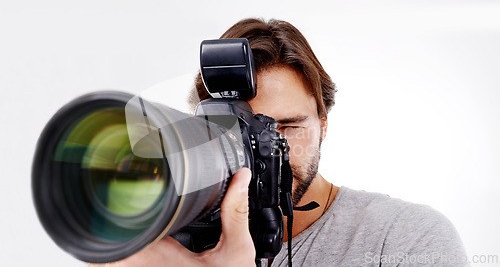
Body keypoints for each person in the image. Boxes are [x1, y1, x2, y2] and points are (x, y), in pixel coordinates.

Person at [95, 18, 468, 266]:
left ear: (324, 124)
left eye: (287, 127)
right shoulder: (165, 244)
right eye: (241, 130)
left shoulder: (404, 237)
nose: (264, 149)